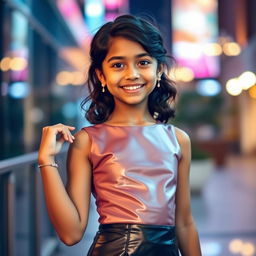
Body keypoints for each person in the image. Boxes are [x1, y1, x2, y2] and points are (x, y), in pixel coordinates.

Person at [38, 14, 202, 256]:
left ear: (159, 71)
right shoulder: (88, 140)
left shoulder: (178, 139)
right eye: (117, 65)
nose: (132, 74)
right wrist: (46, 162)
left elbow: (185, 224)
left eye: (143, 62)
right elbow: (70, 234)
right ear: (102, 76)